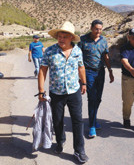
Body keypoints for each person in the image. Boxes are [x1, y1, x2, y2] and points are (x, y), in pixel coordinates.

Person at [38, 21, 89, 163]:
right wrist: (41, 91)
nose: (61, 39)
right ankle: (60, 141)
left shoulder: (77, 50)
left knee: (78, 120)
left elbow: (81, 67)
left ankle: (79, 151)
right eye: (59, 36)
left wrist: (83, 82)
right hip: (56, 93)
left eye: (64, 37)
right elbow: (42, 71)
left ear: (71, 38)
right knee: (58, 120)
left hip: (74, 91)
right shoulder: (50, 51)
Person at [78, 19, 114, 138]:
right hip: (88, 72)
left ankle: (93, 119)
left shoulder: (103, 40)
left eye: (100, 29)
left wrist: (110, 71)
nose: (98, 31)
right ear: (91, 28)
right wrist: (80, 76)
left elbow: (106, 56)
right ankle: (92, 126)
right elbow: (77, 58)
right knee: (92, 98)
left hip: (100, 72)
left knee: (98, 99)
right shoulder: (83, 40)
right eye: (96, 29)